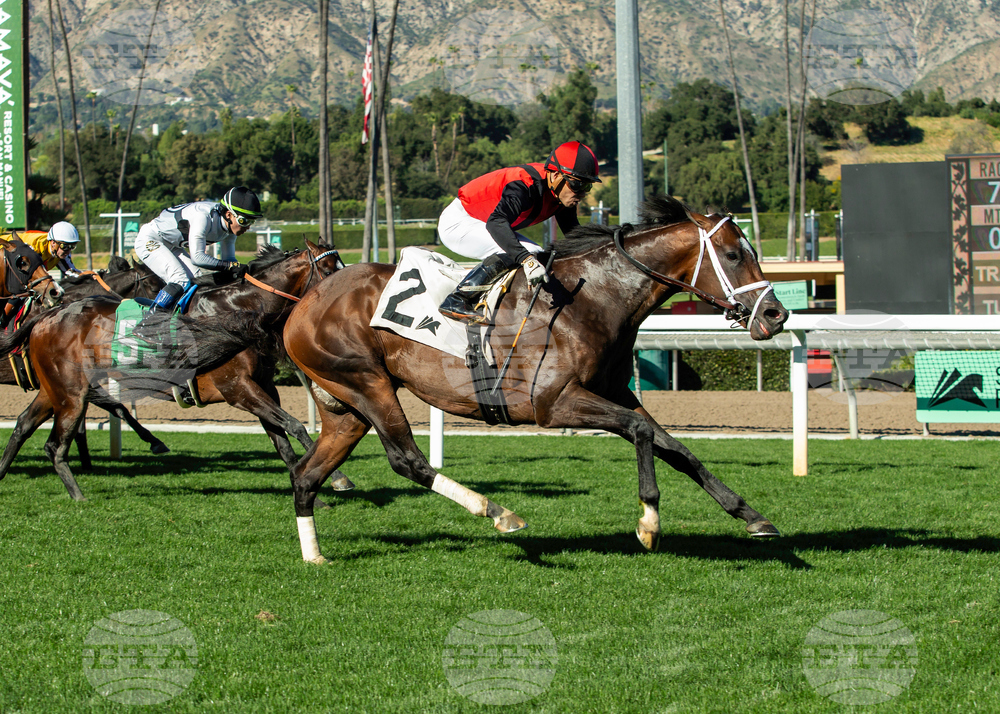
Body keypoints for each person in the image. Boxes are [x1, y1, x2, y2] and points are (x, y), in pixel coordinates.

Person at [436, 140, 601, 322]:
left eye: (587, 186)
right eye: (577, 185)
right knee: (529, 255)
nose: (582, 194)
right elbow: (496, 223)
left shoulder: (561, 193)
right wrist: (526, 260)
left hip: (484, 222)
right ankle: (457, 299)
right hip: (459, 222)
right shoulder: (524, 186)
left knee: (537, 254)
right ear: (555, 175)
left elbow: (575, 236)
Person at [132, 186, 262, 338]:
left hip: (171, 244)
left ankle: (178, 322)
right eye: (244, 221)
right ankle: (146, 325)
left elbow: (230, 262)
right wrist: (230, 266)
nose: (247, 227)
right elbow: (198, 258)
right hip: (150, 239)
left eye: (251, 222)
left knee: (197, 279)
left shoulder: (230, 228)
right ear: (228, 214)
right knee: (179, 278)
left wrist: (239, 270)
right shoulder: (203, 217)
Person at [0, 222, 81, 329]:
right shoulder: (35, 247)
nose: (68, 250)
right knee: (20, 289)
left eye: (72, 246)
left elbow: (73, 274)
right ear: (53, 243)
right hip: (4, 250)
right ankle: (3, 321)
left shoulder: (60, 252)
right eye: (64, 246)